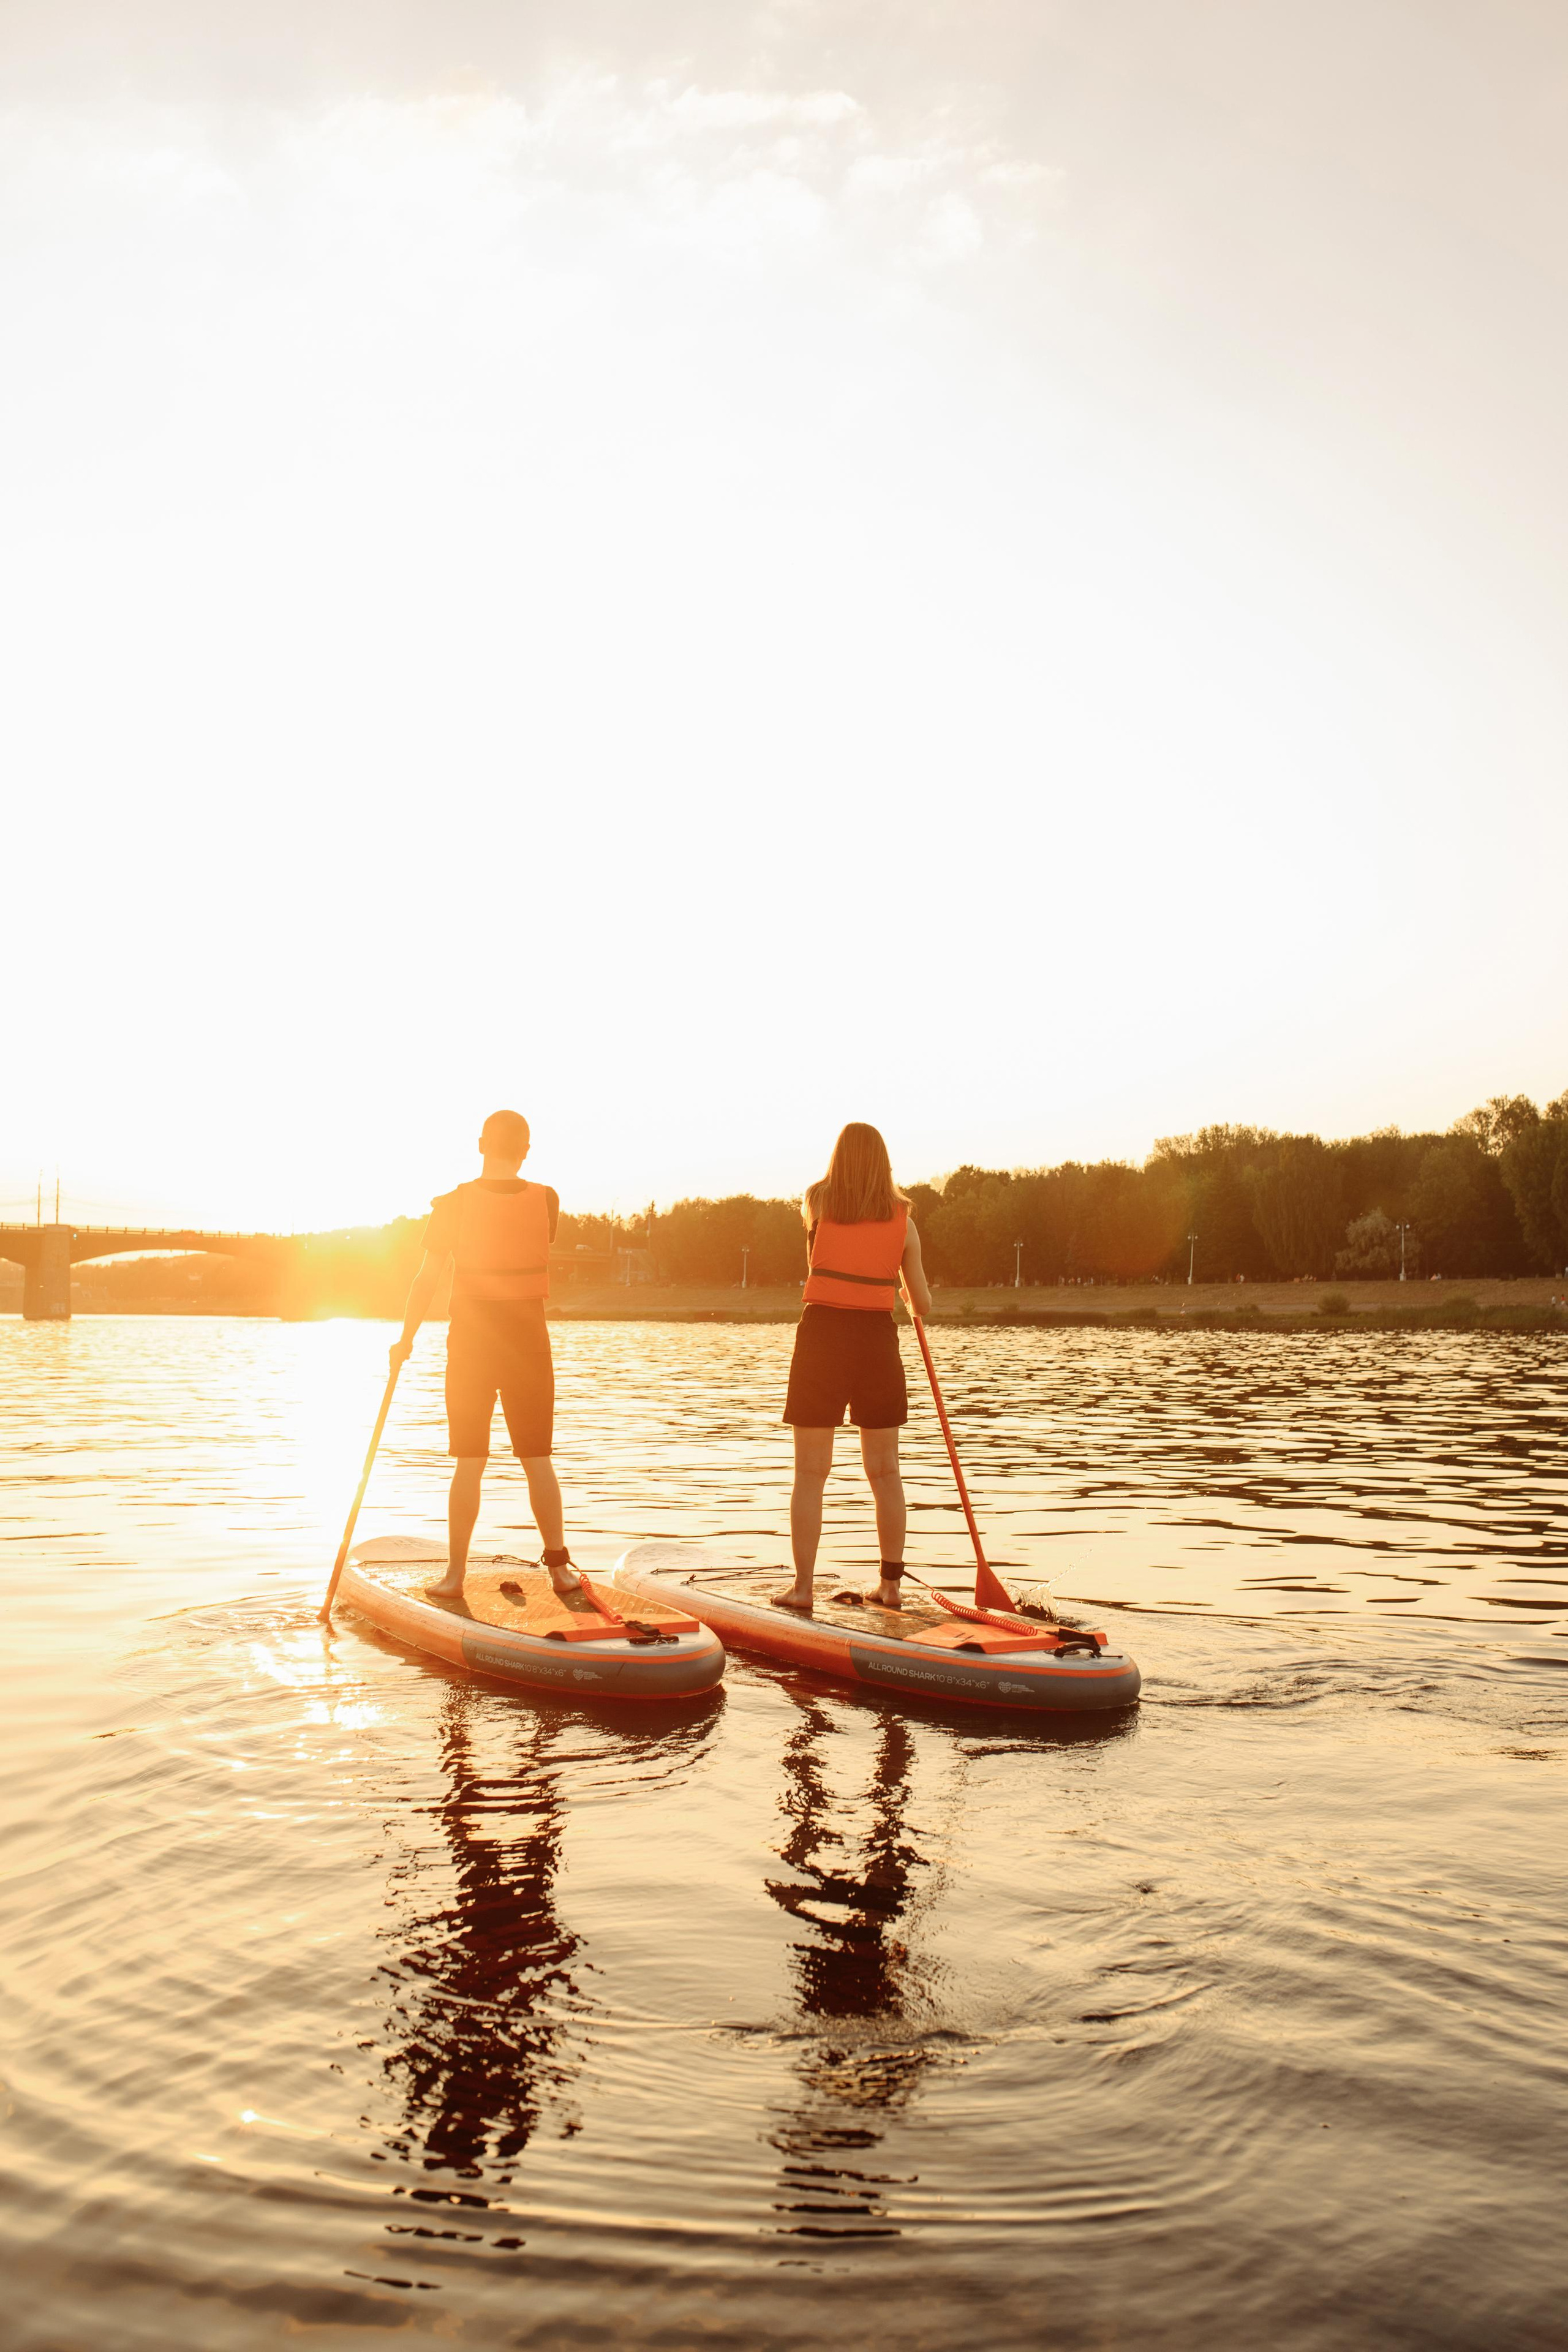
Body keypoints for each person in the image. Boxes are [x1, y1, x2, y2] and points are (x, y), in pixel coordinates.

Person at [390, 1109, 581, 1604]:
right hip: (528, 1344)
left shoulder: (452, 1204)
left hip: (473, 1344)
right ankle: (560, 1571)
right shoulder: (547, 1199)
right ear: (526, 1151)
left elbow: (426, 1279)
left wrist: (405, 1339)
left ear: (480, 1144)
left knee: (469, 1461)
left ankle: (455, 1577)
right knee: (537, 1459)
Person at [774, 1121, 932, 1614]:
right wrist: (904, 1289)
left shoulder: (817, 1203)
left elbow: (818, 1260)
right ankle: (891, 1586)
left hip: (823, 1335)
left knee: (810, 1471)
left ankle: (802, 1588)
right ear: (884, 1163)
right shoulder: (905, 1222)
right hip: (875, 1340)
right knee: (885, 1471)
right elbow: (922, 1303)